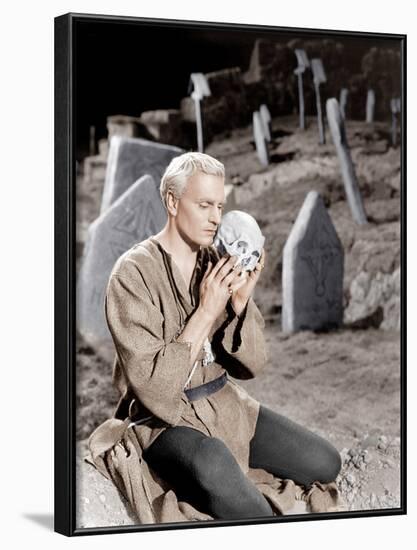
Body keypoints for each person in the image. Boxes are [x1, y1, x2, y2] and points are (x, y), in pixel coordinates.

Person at [88, 151, 342, 523]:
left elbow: (253, 365)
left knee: (324, 462)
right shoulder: (132, 275)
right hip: (163, 422)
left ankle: (227, 486)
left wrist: (240, 303)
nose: (215, 217)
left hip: (225, 404)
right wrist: (206, 310)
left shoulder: (215, 260)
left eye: (220, 205)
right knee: (214, 463)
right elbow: (156, 391)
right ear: (172, 202)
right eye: (204, 204)